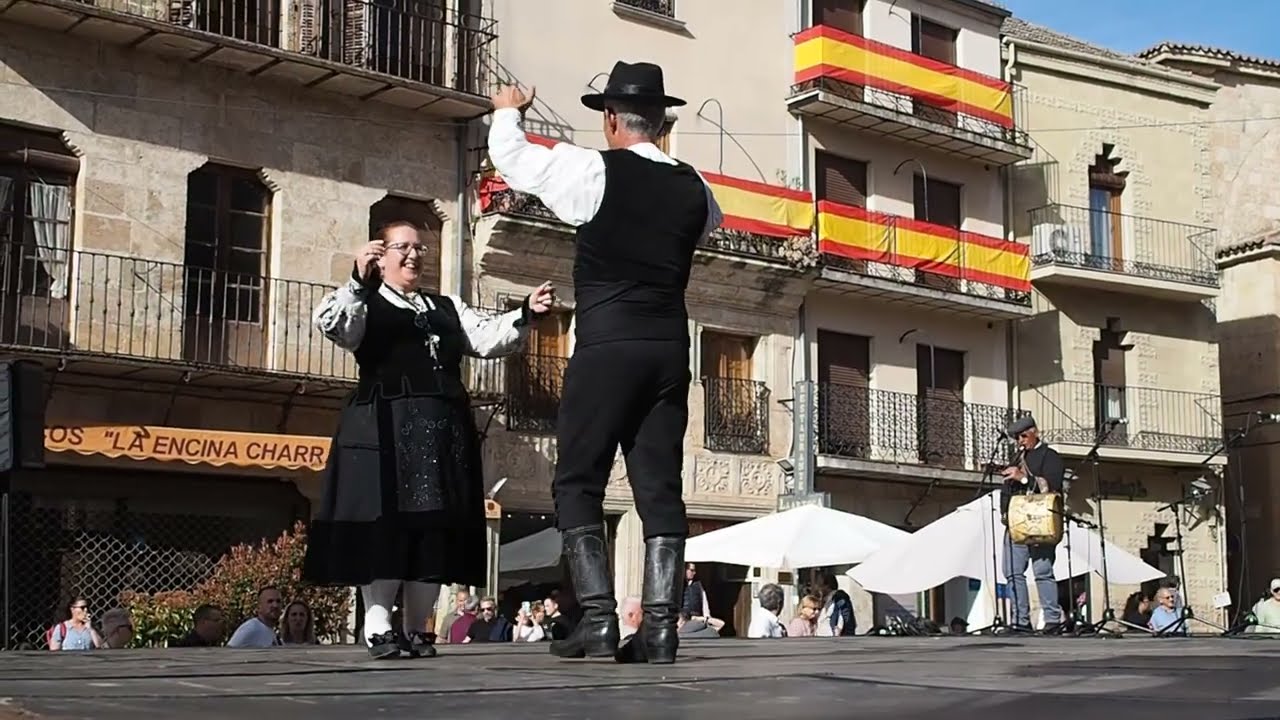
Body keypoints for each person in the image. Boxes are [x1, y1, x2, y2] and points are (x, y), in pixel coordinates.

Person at [487, 60, 723, 666]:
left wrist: (508, 108)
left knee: (578, 479)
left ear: (613, 120)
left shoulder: (593, 168)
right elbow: (705, 231)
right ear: (663, 120)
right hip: (670, 347)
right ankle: (662, 630)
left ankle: (594, 620)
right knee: (659, 487)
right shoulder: (697, 186)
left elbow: (512, 159)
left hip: (608, 343)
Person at [302, 220, 554, 659]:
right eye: (403, 247)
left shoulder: (445, 305)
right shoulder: (364, 299)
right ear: (380, 255)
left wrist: (525, 311)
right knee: (384, 524)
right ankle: (378, 624)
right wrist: (356, 280)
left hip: (441, 431)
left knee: (434, 529)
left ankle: (417, 627)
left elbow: (486, 336)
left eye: (420, 248)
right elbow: (335, 326)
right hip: (384, 425)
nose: (414, 255)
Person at [999, 415, 1066, 633]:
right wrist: (1004, 513)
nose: (1020, 441)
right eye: (1017, 438)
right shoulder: (1016, 458)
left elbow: (1053, 487)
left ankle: (1053, 619)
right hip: (1016, 522)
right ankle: (1020, 621)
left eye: (1023, 435)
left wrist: (1024, 479)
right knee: (1012, 571)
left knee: (1042, 570)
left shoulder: (1050, 456)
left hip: (1041, 521)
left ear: (1035, 431)